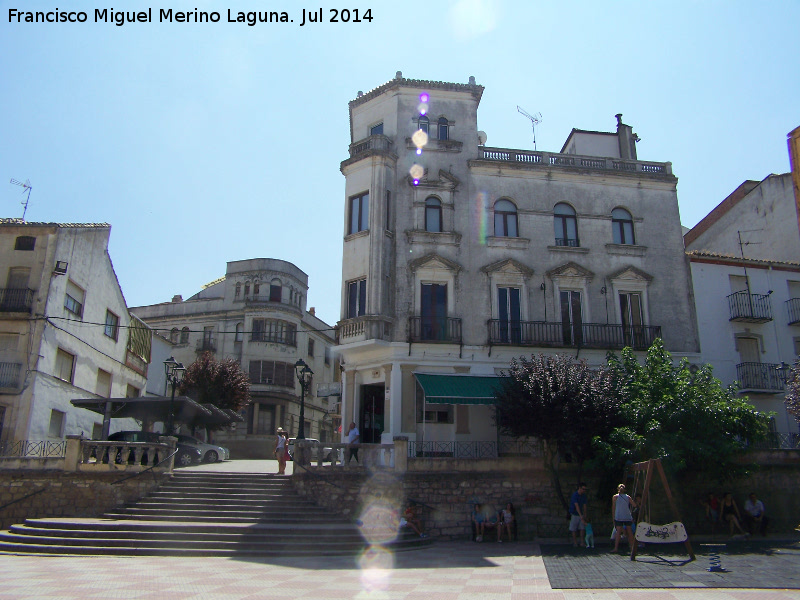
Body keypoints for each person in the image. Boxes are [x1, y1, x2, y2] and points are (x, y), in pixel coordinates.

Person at [611, 483, 637, 554]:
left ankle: (616, 548)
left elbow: (613, 508)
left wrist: (613, 517)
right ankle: (632, 548)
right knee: (630, 532)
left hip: (619, 516)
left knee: (618, 532)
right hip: (627, 516)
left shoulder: (615, 497)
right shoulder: (628, 497)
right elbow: (634, 505)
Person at [568, 482, 588, 547]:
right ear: (579, 488)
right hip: (574, 514)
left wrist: (584, 515)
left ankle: (582, 542)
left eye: (585, 489)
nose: (584, 490)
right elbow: (576, 506)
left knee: (582, 528)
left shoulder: (584, 496)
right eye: (583, 489)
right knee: (573, 529)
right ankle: (575, 542)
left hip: (581, 514)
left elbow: (584, 506)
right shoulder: (575, 495)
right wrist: (580, 515)